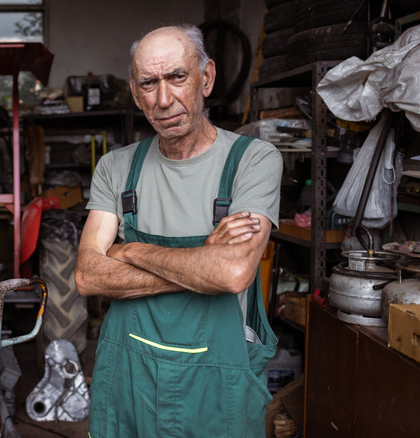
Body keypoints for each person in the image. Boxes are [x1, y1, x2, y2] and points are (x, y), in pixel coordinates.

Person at [75, 24, 283, 437]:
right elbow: (87, 275)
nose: (164, 100)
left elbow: (231, 273)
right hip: (129, 382)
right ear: (136, 94)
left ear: (206, 78)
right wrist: (200, 264)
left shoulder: (253, 161)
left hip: (216, 388)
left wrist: (129, 251)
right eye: (149, 84)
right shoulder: (115, 168)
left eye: (177, 77)